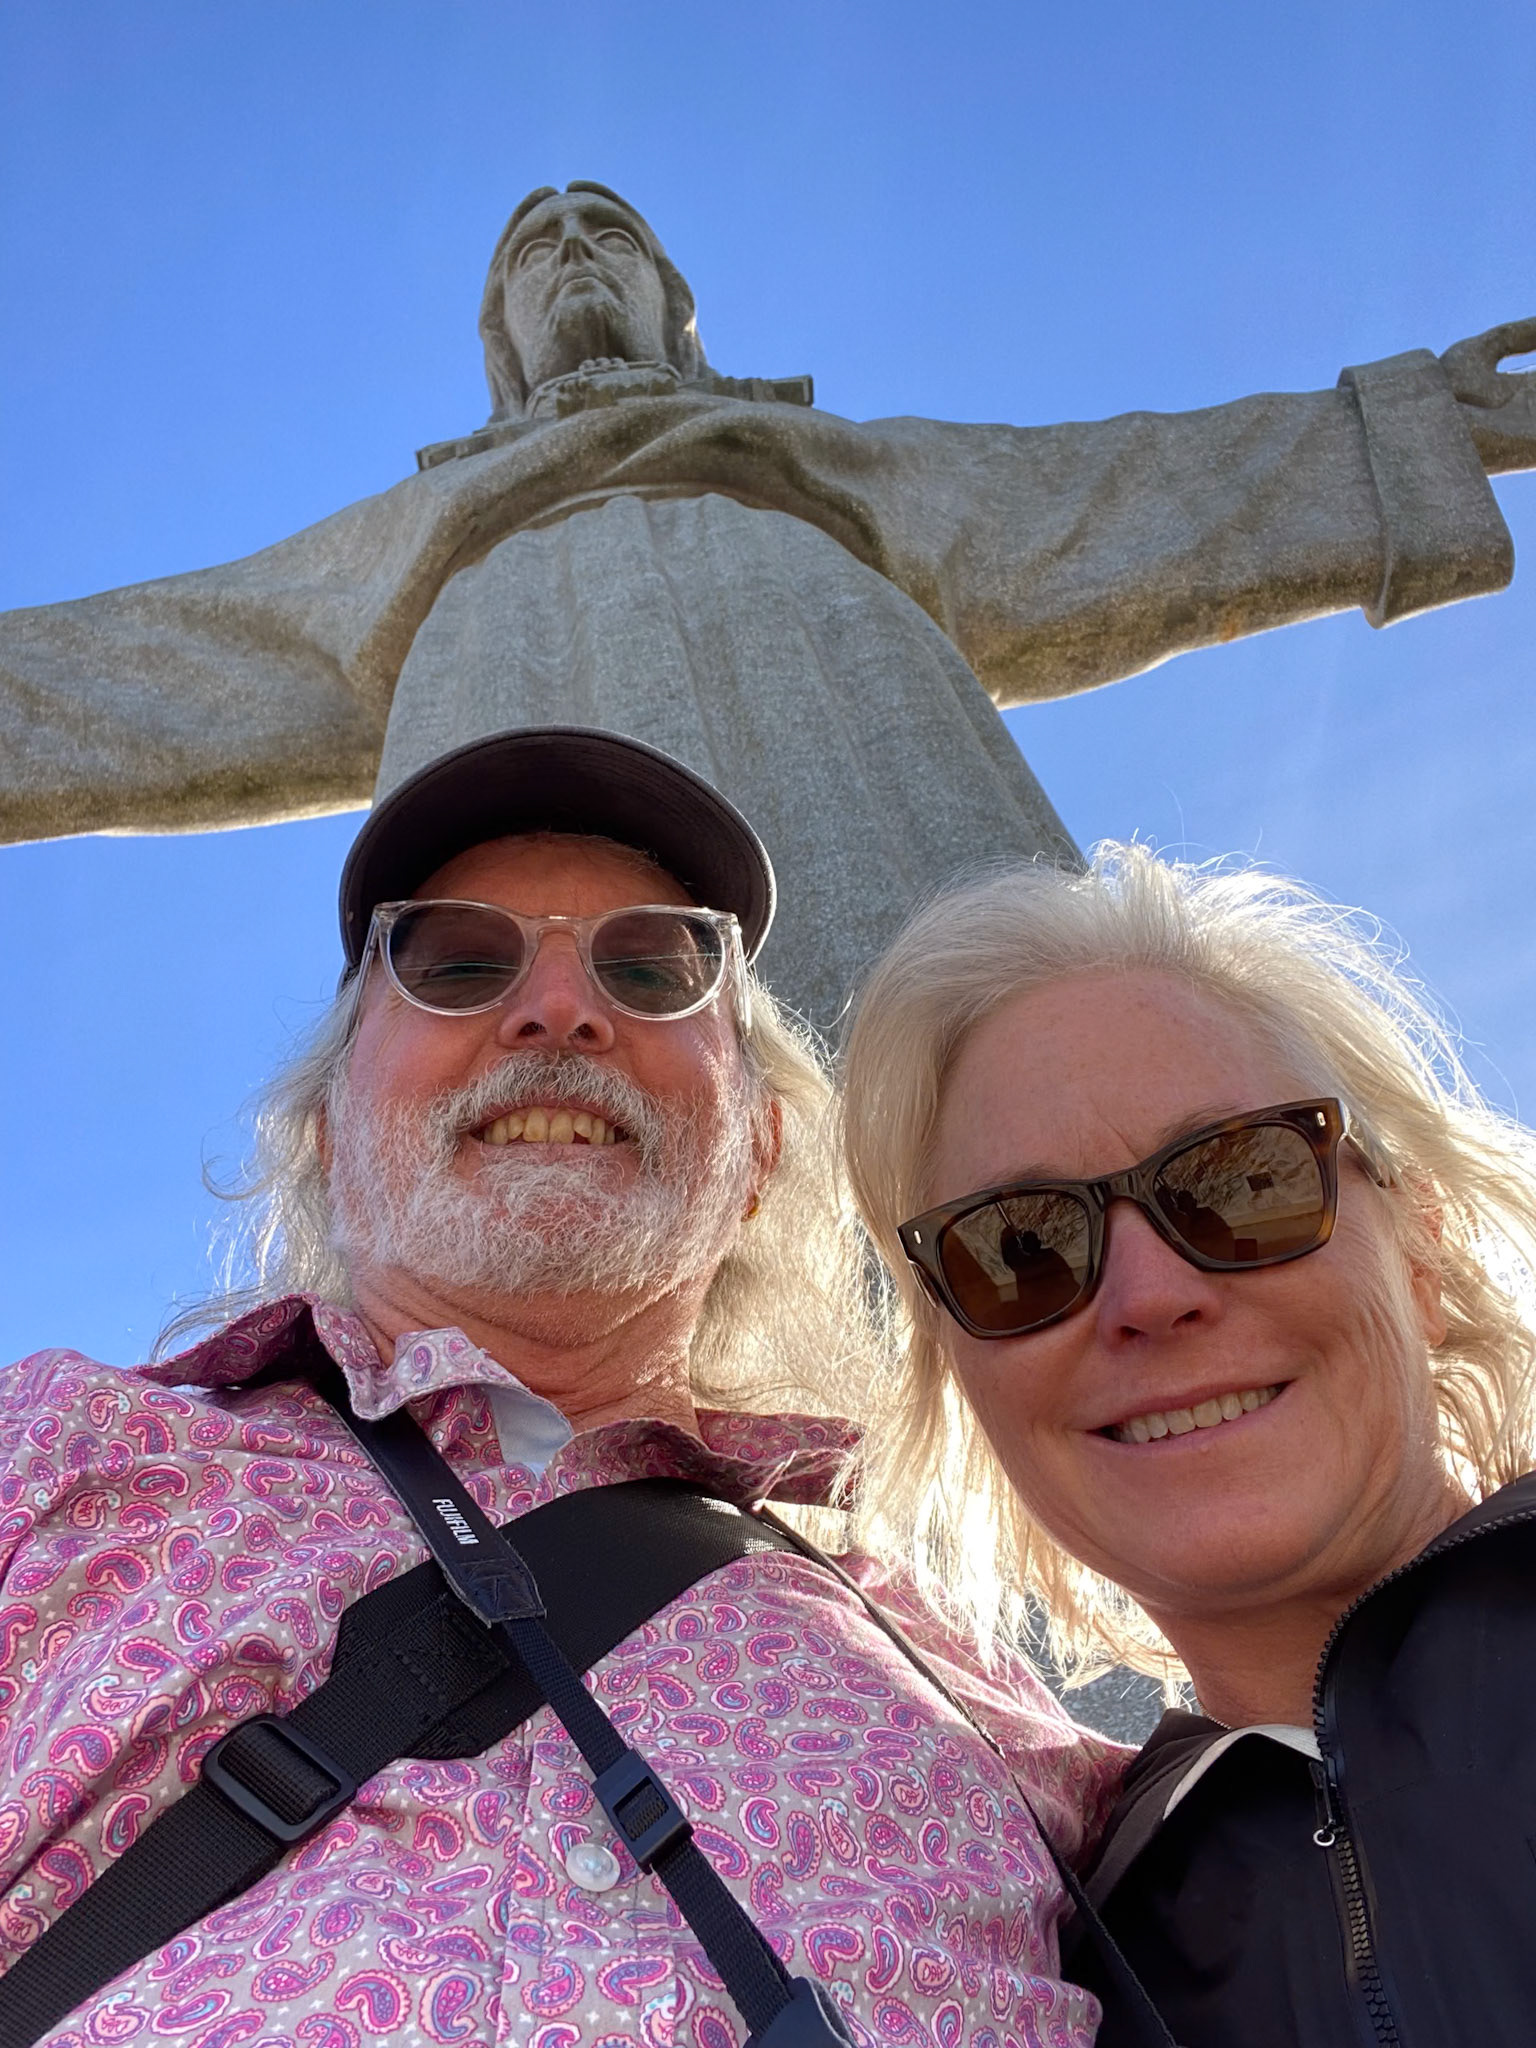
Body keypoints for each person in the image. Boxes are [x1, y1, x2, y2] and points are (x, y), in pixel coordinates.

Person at [0, 726, 1123, 2048]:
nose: (557, 1008)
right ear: (328, 1130)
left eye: (651, 969)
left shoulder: (968, 1684)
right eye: (456, 963)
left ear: (759, 1150)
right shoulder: (54, 1456)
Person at [3, 179, 1533, 1027]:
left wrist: (1404, 431)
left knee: (976, 1090)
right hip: (521, 802)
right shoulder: (412, 537)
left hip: (867, 750)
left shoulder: (827, 466)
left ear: (678, 311)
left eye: (608, 236)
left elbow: (1116, 495)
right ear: (500, 338)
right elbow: (158, 664)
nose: (573, 256)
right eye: (536, 252)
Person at [840, 842, 1536, 2047]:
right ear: (967, 1379)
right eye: (1020, 1249)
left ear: (1419, 1250)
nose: (1150, 1293)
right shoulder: (1048, 1974)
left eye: (1245, 1179)